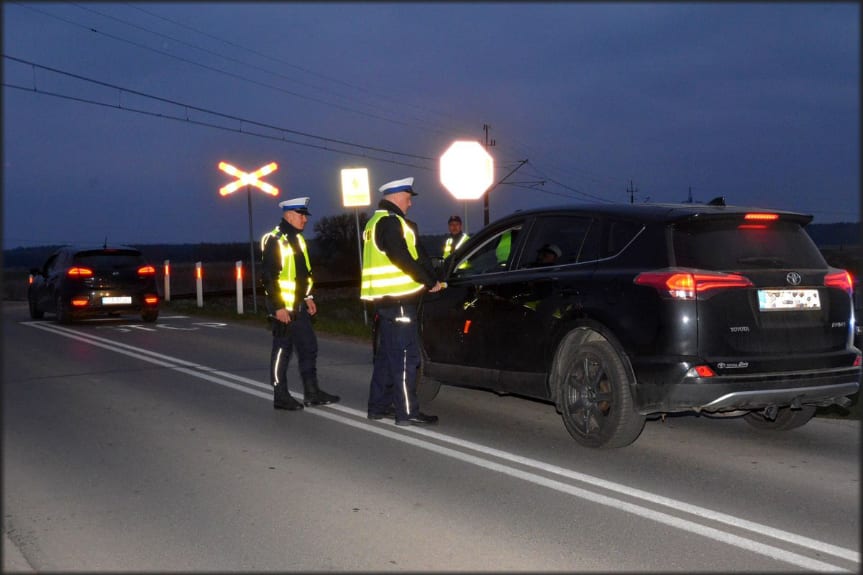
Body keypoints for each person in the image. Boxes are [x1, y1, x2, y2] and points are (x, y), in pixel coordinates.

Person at [361, 177, 443, 426]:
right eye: (408, 198)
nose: (410, 203)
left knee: (387, 356)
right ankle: (406, 411)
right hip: (398, 302)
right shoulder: (389, 222)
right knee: (407, 358)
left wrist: (430, 277)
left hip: (386, 302)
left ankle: (378, 406)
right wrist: (430, 281)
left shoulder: (375, 222)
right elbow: (402, 258)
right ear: (396, 196)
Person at [261, 196, 340, 411]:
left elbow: (302, 274)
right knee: (282, 352)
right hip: (284, 308)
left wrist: (308, 297)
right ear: (288, 215)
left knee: (309, 348)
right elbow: (269, 276)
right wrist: (278, 307)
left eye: (305, 215)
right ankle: (280, 395)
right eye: (301, 215)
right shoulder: (275, 239)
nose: (305, 219)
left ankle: (312, 392)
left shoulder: (298, 239)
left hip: (299, 307)